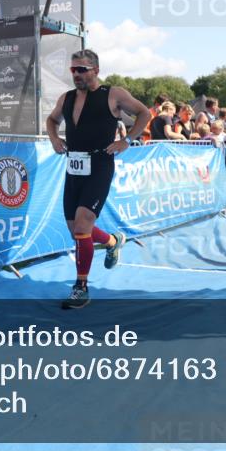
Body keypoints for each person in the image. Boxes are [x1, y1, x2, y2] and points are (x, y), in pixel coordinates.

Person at [45, 49, 151, 309]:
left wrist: (126, 140)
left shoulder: (113, 94)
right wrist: (55, 138)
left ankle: (81, 288)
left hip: (100, 165)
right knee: (76, 231)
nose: (76, 74)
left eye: (82, 69)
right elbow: (51, 120)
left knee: (82, 226)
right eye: (73, 70)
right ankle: (113, 242)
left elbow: (144, 114)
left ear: (95, 70)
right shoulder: (67, 97)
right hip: (74, 166)